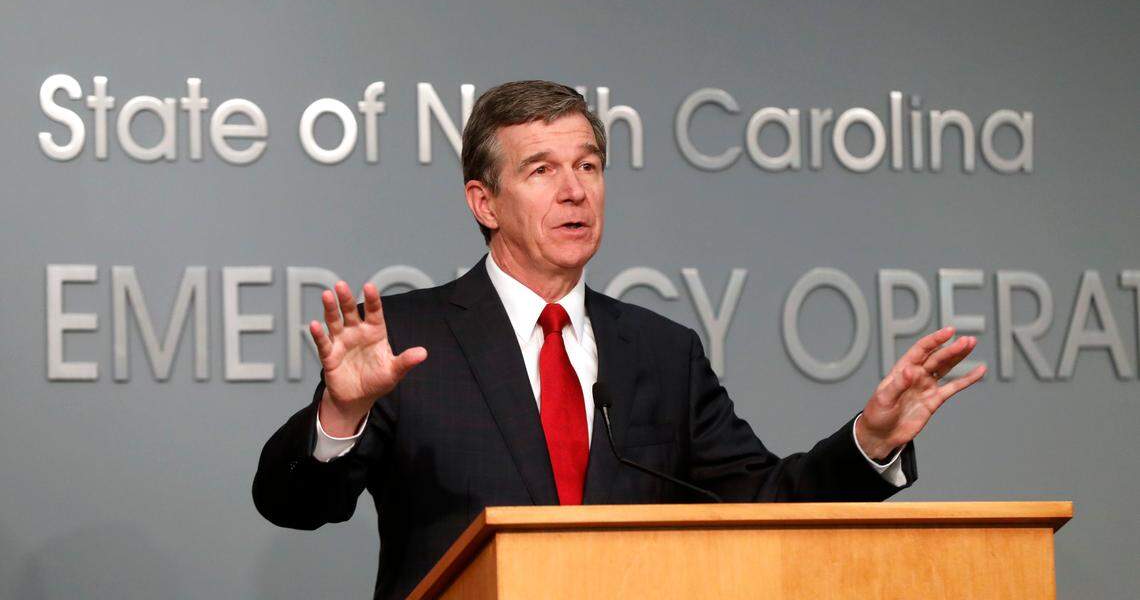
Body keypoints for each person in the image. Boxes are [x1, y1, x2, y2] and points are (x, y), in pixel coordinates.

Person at [252, 80, 986, 599]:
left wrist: (870, 439)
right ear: (485, 202)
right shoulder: (411, 341)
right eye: (542, 170)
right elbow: (293, 504)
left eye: (589, 167)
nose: (576, 191)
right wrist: (340, 416)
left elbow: (763, 501)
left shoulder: (661, 353)